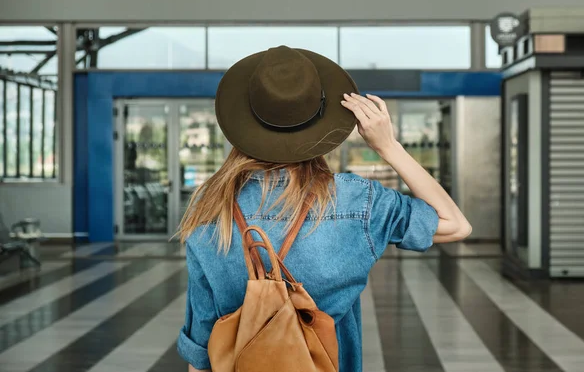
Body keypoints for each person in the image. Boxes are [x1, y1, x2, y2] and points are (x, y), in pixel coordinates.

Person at [176, 46, 471, 372]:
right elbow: (455, 224)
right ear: (321, 121)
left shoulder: (210, 207)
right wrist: (389, 146)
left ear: (244, 125)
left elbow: (201, 350)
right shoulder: (355, 201)